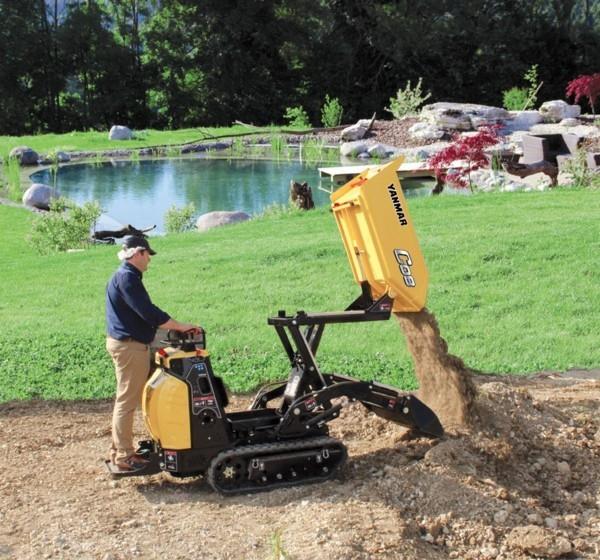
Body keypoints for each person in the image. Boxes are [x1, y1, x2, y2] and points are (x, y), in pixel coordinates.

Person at [105, 235, 199, 472]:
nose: (149, 260)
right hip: (130, 346)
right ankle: (124, 456)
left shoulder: (125, 276)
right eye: (148, 255)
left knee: (139, 393)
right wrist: (179, 326)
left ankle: (121, 450)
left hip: (130, 343)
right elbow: (148, 312)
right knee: (127, 400)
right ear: (138, 253)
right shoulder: (128, 278)